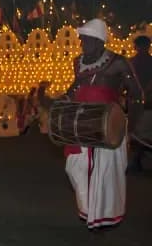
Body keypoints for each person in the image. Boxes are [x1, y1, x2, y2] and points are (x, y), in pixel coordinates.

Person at [61, 19, 142, 230]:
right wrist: (64, 99)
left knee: (104, 172)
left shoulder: (119, 63)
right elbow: (76, 86)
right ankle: (88, 209)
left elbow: (136, 95)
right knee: (75, 166)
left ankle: (102, 216)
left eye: (85, 40)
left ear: (98, 41)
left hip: (107, 127)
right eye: (81, 39)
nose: (81, 43)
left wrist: (129, 126)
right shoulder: (78, 62)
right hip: (82, 124)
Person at [128, 34, 152, 173]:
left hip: (144, 102)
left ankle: (137, 160)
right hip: (138, 101)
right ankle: (136, 160)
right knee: (138, 132)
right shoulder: (131, 62)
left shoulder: (132, 62)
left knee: (140, 132)